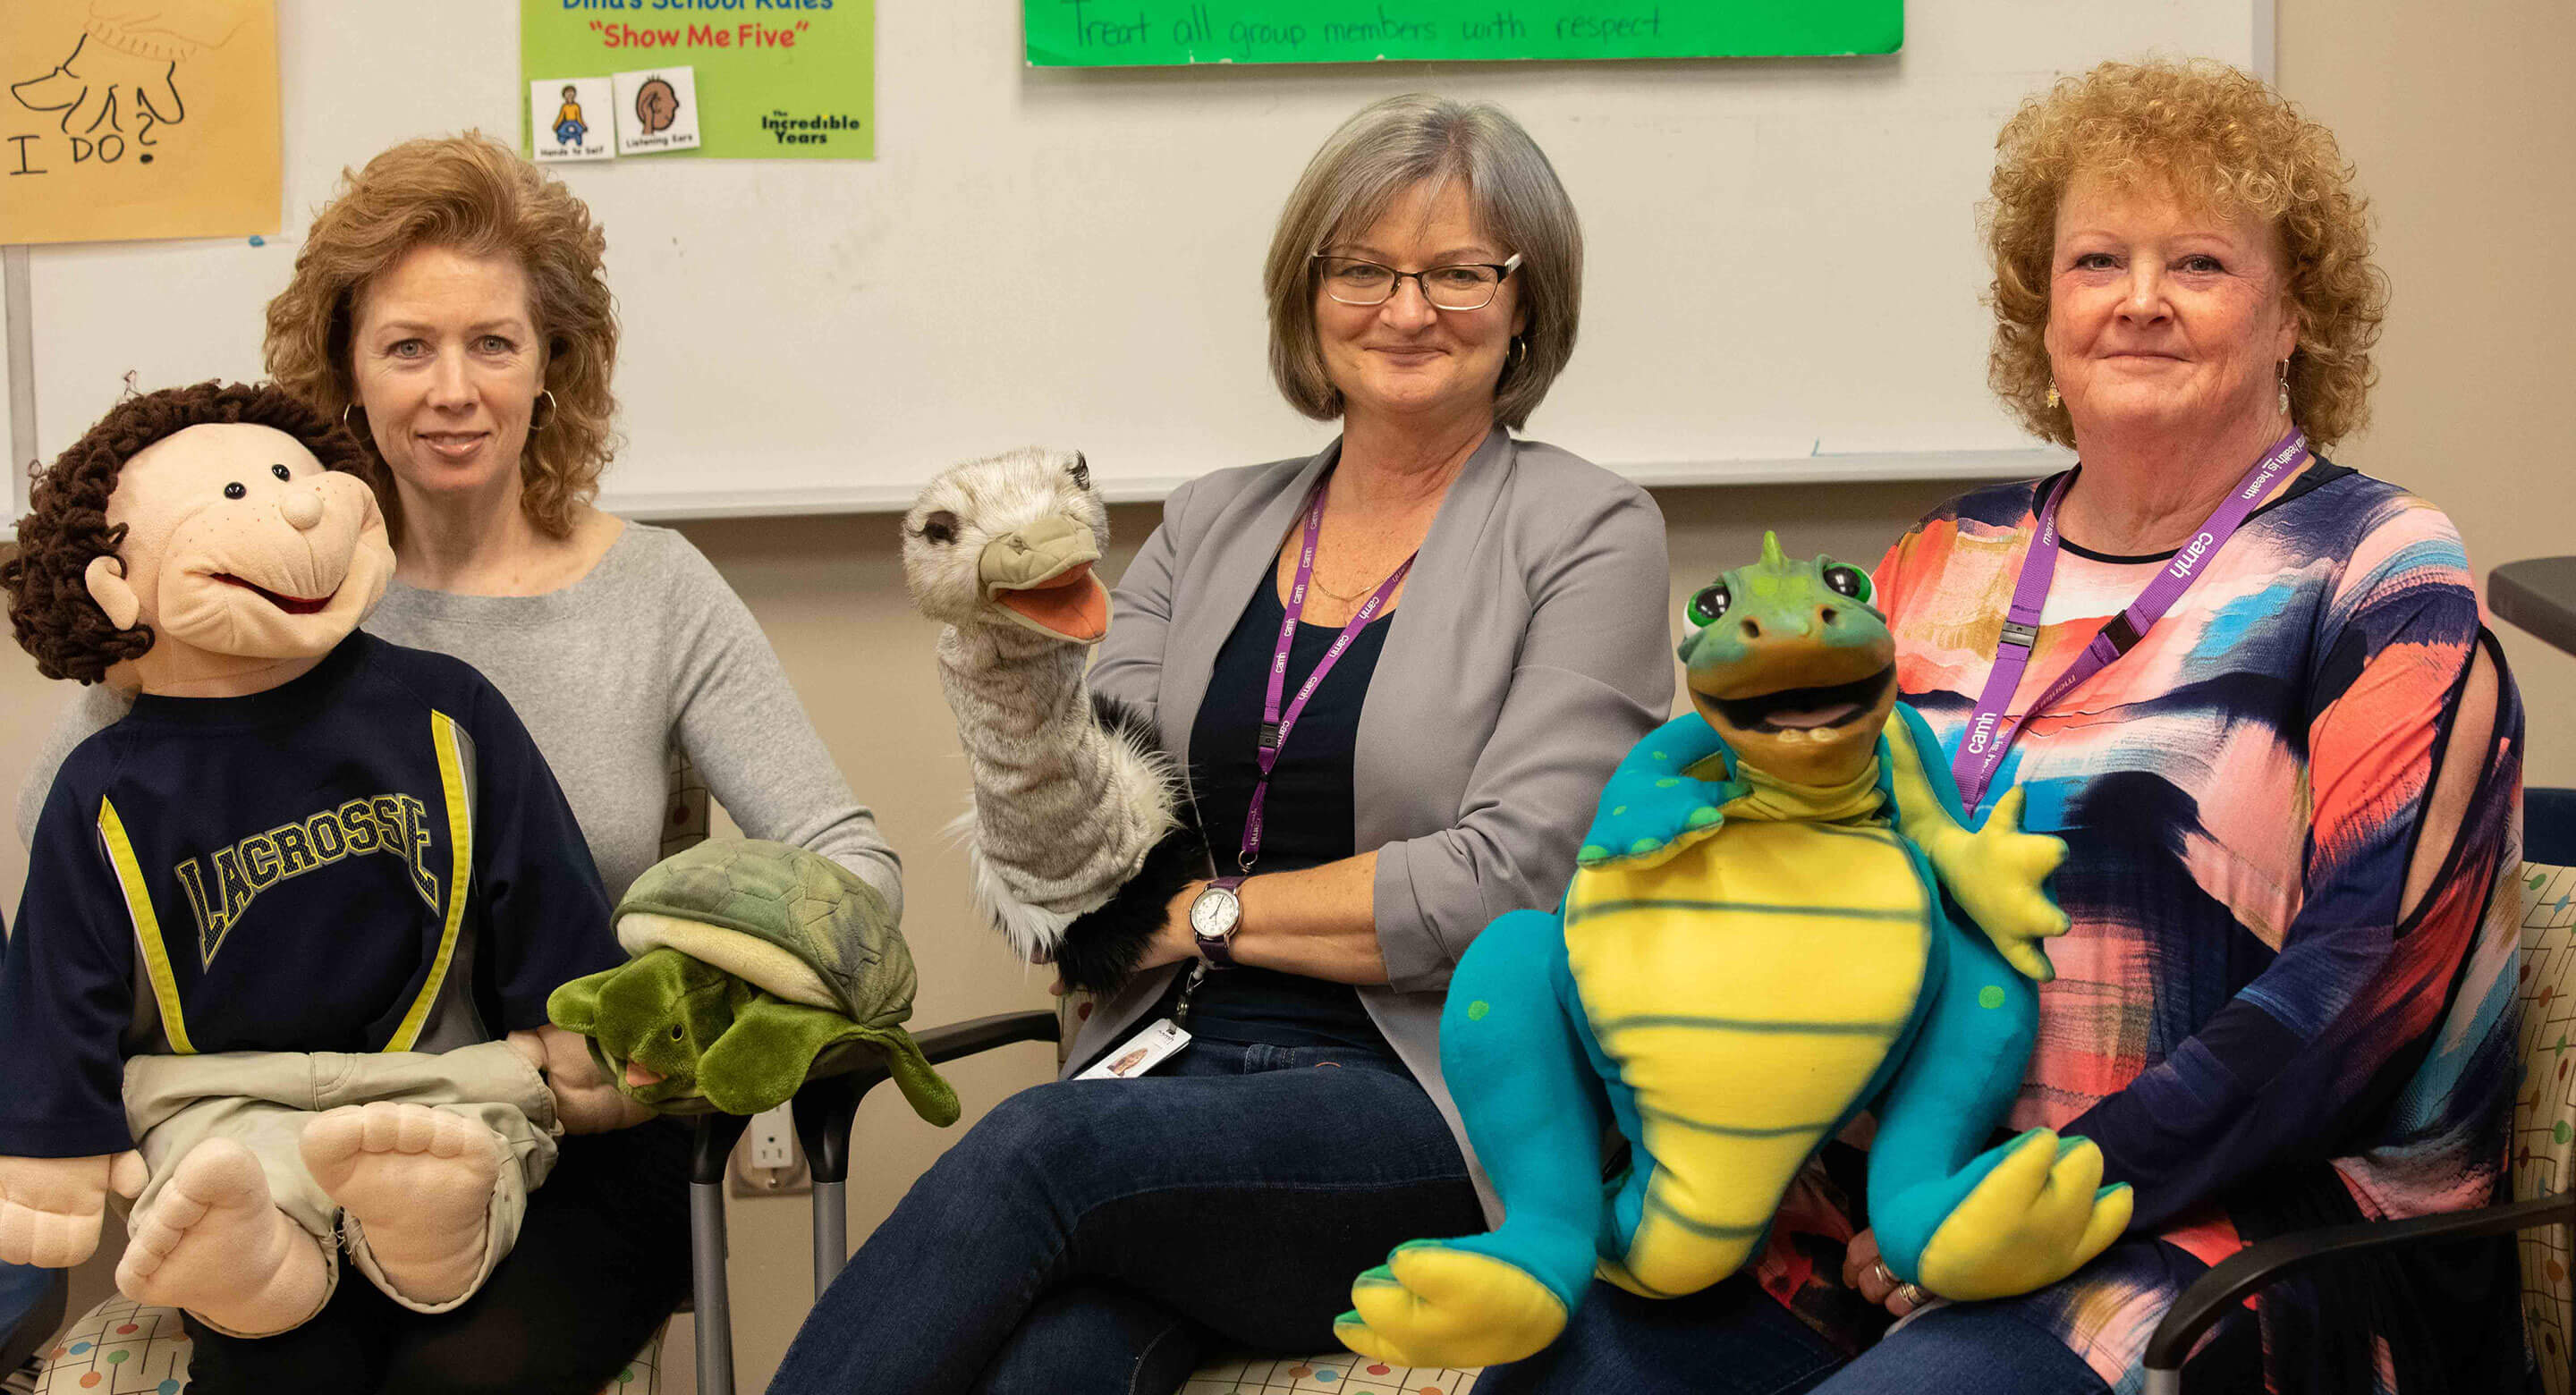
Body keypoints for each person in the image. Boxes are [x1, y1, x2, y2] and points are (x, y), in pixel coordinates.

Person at [1485, 57, 2525, 1395]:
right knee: (1549, 1374)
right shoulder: (1942, 558)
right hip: (1866, 1218)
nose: (2138, 300)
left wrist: (2035, 1196)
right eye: (2096, 261)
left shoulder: (2374, 571)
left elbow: (2357, 984)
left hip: (2216, 1242)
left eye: (2200, 264)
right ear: (2045, 313)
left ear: (2295, 318)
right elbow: (1787, 864)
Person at [766, 94, 1674, 1394]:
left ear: (1526, 302)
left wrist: (1202, 915)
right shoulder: (1207, 526)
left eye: (1460, 272)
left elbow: (1508, 880)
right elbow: (1087, 858)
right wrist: (1006, 684)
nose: (1406, 309)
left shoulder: (1591, 532)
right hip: (1165, 1072)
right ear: (1308, 293)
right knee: (1054, 1367)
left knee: (1037, 1149)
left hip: (1425, 1098)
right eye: (1364, 269)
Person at [17, 132, 903, 1393]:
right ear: (345, 371)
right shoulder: (259, 596)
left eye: (493, 342)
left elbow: (846, 862)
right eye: (407, 347)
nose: (453, 390)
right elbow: (68, 837)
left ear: (554, 364)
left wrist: (656, 1017)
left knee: (458, 1382)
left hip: (588, 1143)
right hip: (281, 1139)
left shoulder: (656, 594)